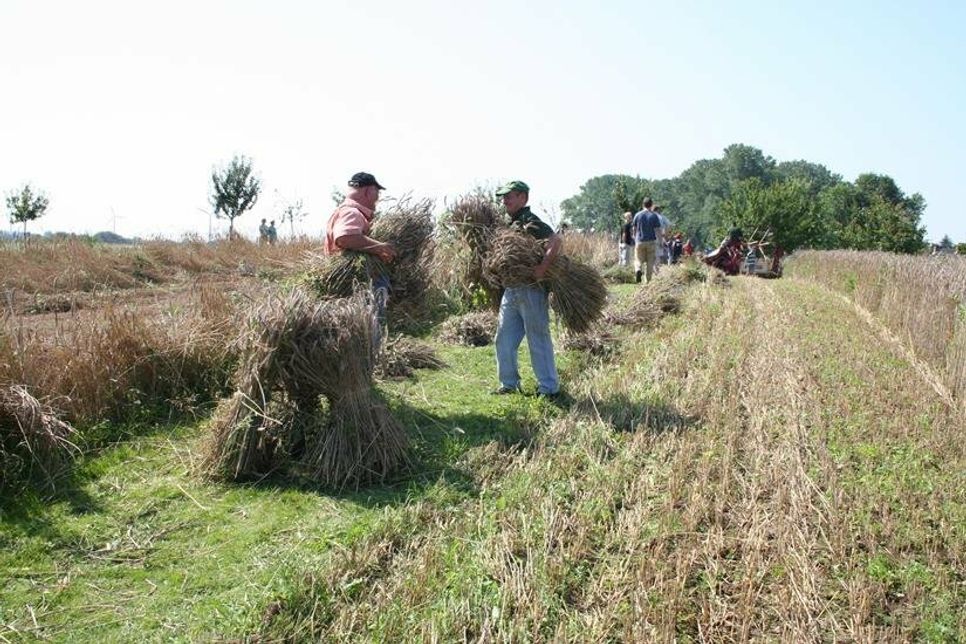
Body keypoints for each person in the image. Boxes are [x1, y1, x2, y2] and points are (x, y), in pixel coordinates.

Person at [491, 180, 560, 398]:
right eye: (503, 197)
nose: (505, 200)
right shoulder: (510, 223)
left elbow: (555, 241)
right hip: (511, 290)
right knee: (503, 338)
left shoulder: (530, 220)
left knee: (537, 338)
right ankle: (509, 383)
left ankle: (548, 388)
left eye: (509, 196)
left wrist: (542, 268)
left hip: (531, 289)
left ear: (523, 198)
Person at [325, 172, 397, 344]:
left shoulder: (346, 211)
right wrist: (380, 247)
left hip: (353, 282)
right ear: (367, 191)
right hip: (359, 283)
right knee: (369, 329)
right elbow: (345, 238)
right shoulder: (352, 213)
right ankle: (373, 359)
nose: (377, 198)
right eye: (377, 193)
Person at [632, 198, 662, 283]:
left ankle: (638, 269)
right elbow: (657, 230)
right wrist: (660, 242)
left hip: (639, 241)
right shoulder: (654, 216)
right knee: (650, 261)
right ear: (651, 205)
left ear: (643, 205)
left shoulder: (637, 215)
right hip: (651, 242)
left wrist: (635, 238)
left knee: (638, 259)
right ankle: (647, 281)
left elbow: (634, 228)